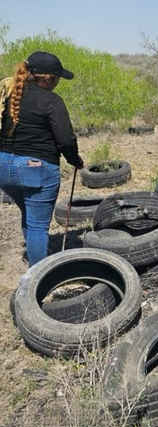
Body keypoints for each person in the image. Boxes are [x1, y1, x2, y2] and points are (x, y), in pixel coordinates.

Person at [0, 51, 84, 267]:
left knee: (28, 213)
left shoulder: (9, 93)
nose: (58, 83)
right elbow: (65, 140)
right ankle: (37, 277)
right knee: (38, 226)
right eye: (57, 78)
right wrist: (75, 160)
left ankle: (33, 259)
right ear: (47, 78)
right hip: (35, 169)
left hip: (4, 167)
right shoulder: (52, 101)